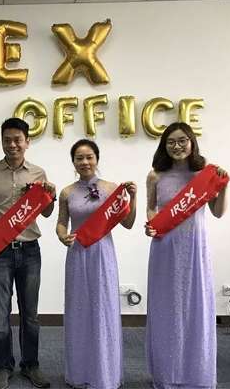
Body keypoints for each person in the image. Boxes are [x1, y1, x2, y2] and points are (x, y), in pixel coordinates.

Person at [0, 118, 56, 389]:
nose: (12, 144)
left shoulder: (39, 173)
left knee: (30, 314)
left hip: (30, 251)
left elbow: (47, 212)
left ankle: (31, 365)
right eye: (7, 140)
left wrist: (51, 196)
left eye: (18, 139)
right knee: (0, 315)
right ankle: (2, 367)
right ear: (2, 142)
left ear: (27, 142)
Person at [145, 122, 228, 389]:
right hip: (165, 248)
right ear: (164, 146)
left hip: (194, 249)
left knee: (195, 308)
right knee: (165, 308)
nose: (177, 146)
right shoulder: (155, 175)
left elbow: (218, 212)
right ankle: (167, 374)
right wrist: (151, 224)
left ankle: (196, 374)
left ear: (192, 142)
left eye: (182, 141)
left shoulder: (204, 174)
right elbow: (151, 209)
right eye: (171, 142)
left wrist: (224, 186)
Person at [56, 139, 136, 389]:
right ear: (73, 162)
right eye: (79, 158)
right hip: (78, 254)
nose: (84, 162)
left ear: (97, 159)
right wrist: (62, 236)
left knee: (104, 309)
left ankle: (105, 372)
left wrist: (133, 198)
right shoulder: (67, 192)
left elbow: (128, 223)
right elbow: (61, 223)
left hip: (103, 254)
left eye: (89, 157)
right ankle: (80, 372)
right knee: (79, 310)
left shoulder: (111, 188)